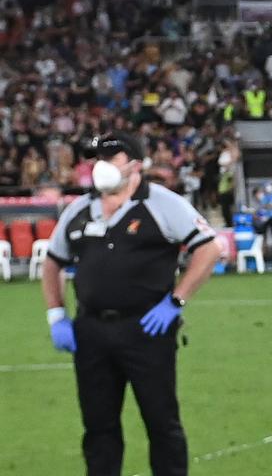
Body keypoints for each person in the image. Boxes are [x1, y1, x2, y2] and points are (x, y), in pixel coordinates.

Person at [41, 131, 221, 476]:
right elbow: (53, 262)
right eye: (98, 159)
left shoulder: (163, 203)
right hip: (90, 331)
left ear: (136, 165)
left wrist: (176, 301)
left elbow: (209, 248)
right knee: (98, 426)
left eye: (111, 159)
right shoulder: (79, 208)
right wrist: (56, 314)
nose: (101, 167)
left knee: (161, 422)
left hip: (146, 329)